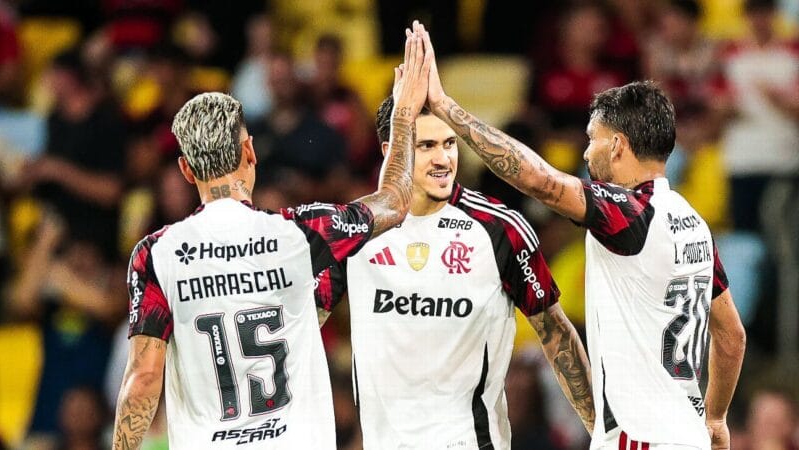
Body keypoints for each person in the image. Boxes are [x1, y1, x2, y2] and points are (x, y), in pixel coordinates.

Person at [420, 29, 746, 450]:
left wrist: (445, 108)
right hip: (685, 435)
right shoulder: (692, 222)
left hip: (639, 438)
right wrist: (716, 417)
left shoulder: (630, 213)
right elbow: (732, 335)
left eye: (592, 140)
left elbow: (541, 182)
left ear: (617, 146)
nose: (586, 153)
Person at [112, 27, 432, 449]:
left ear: (187, 171)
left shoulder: (155, 255)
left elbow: (144, 379)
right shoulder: (300, 233)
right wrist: (404, 116)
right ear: (250, 152)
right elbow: (394, 201)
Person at [316, 25, 593, 448]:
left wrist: (602, 431)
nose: (444, 158)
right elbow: (305, 326)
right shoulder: (357, 232)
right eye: (426, 145)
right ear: (389, 147)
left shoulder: (499, 229)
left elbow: (555, 334)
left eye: (450, 143)